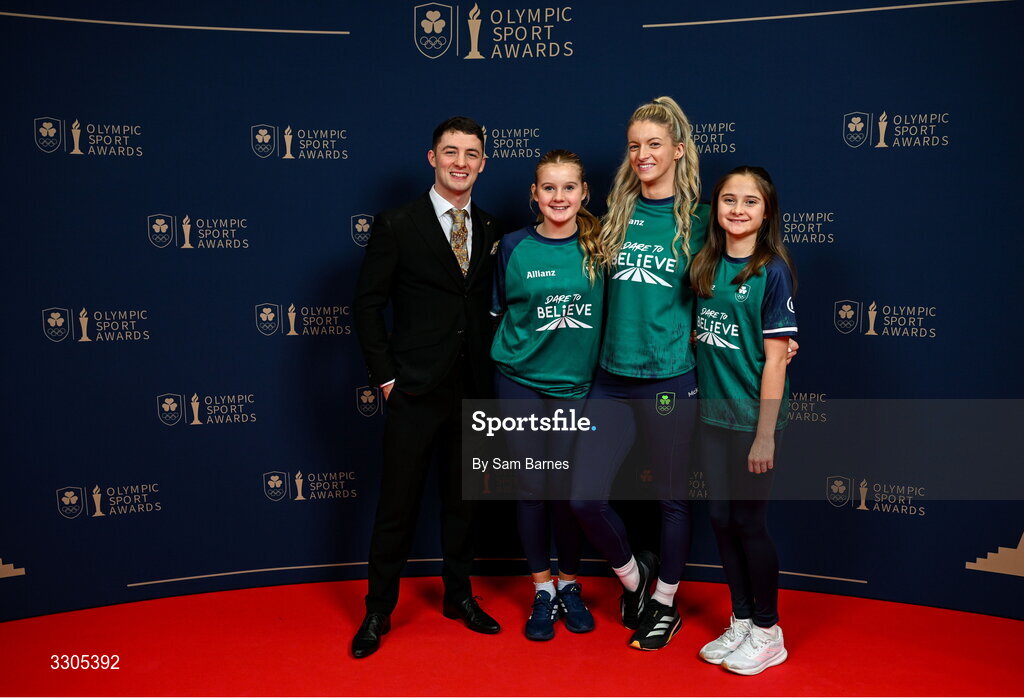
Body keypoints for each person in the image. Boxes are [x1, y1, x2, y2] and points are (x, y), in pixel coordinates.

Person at [351, 116, 503, 658]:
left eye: (471, 153)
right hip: (414, 390)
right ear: (432, 158)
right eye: (450, 151)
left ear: (483, 163)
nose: (461, 161)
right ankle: (377, 611)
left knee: (463, 503)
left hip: (473, 388)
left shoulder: (490, 228)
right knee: (397, 505)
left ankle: (459, 596)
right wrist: (387, 378)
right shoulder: (397, 223)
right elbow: (367, 306)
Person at [569, 96, 706, 651]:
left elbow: (740, 282)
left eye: (654, 144)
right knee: (583, 498)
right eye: (634, 146)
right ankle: (633, 578)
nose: (643, 154)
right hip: (611, 379)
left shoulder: (698, 223)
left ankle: (666, 603)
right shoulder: (613, 218)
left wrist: (778, 338)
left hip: (670, 378)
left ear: (677, 149)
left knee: (672, 500)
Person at [490, 150, 605, 641]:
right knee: (533, 489)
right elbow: (498, 312)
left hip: (575, 388)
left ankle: (570, 583)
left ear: (584, 194)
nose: (559, 197)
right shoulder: (513, 247)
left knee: (567, 493)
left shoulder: (602, 247)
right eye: (549, 188)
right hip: (519, 381)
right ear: (534, 195)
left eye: (569, 188)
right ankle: (542, 589)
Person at [690, 166, 797, 675]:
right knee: (720, 520)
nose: (737, 209)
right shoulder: (705, 264)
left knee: (750, 525)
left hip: (752, 422)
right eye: (728, 199)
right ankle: (741, 619)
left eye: (750, 201)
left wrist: (764, 436)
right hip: (711, 416)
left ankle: (769, 630)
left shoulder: (770, 271)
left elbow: (776, 359)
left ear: (766, 212)